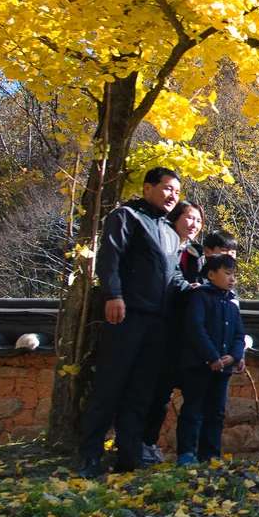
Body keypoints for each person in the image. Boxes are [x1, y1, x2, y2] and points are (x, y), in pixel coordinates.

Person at [79, 167, 188, 476]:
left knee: (141, 391)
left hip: (158, 322)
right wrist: (114, 294)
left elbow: (173, 274)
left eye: (177, 192)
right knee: (109, 386)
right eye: (167, 188)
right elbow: (110, 258)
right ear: (147, 188)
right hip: (126, 314)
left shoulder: (169, 231)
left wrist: (192, 290)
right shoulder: (126, 217)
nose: (172, 196)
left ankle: (129, 456)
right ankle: (89, 456)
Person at [138, 199, 208, 464]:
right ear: (175, 218)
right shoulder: (160, 245)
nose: (194, 224)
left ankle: (180, 452)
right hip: (156, 325)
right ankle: (142, 443)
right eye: (189, 218)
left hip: (183, 333)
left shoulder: (195, 253)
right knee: (153, 391)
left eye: (198, 220)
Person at [177, 253, 248, 466]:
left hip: (223, 368)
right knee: (193, 409)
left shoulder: (232, 303)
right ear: (211, 274)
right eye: (227, 274)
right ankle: (187, 454)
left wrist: (235, 356)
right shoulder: (200, 297)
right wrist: (211, 357)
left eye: (234, 275)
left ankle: (211, 455)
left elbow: (239, 334)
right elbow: (195, 329)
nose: (232, 279)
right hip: (199, 365)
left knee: (216, 412)